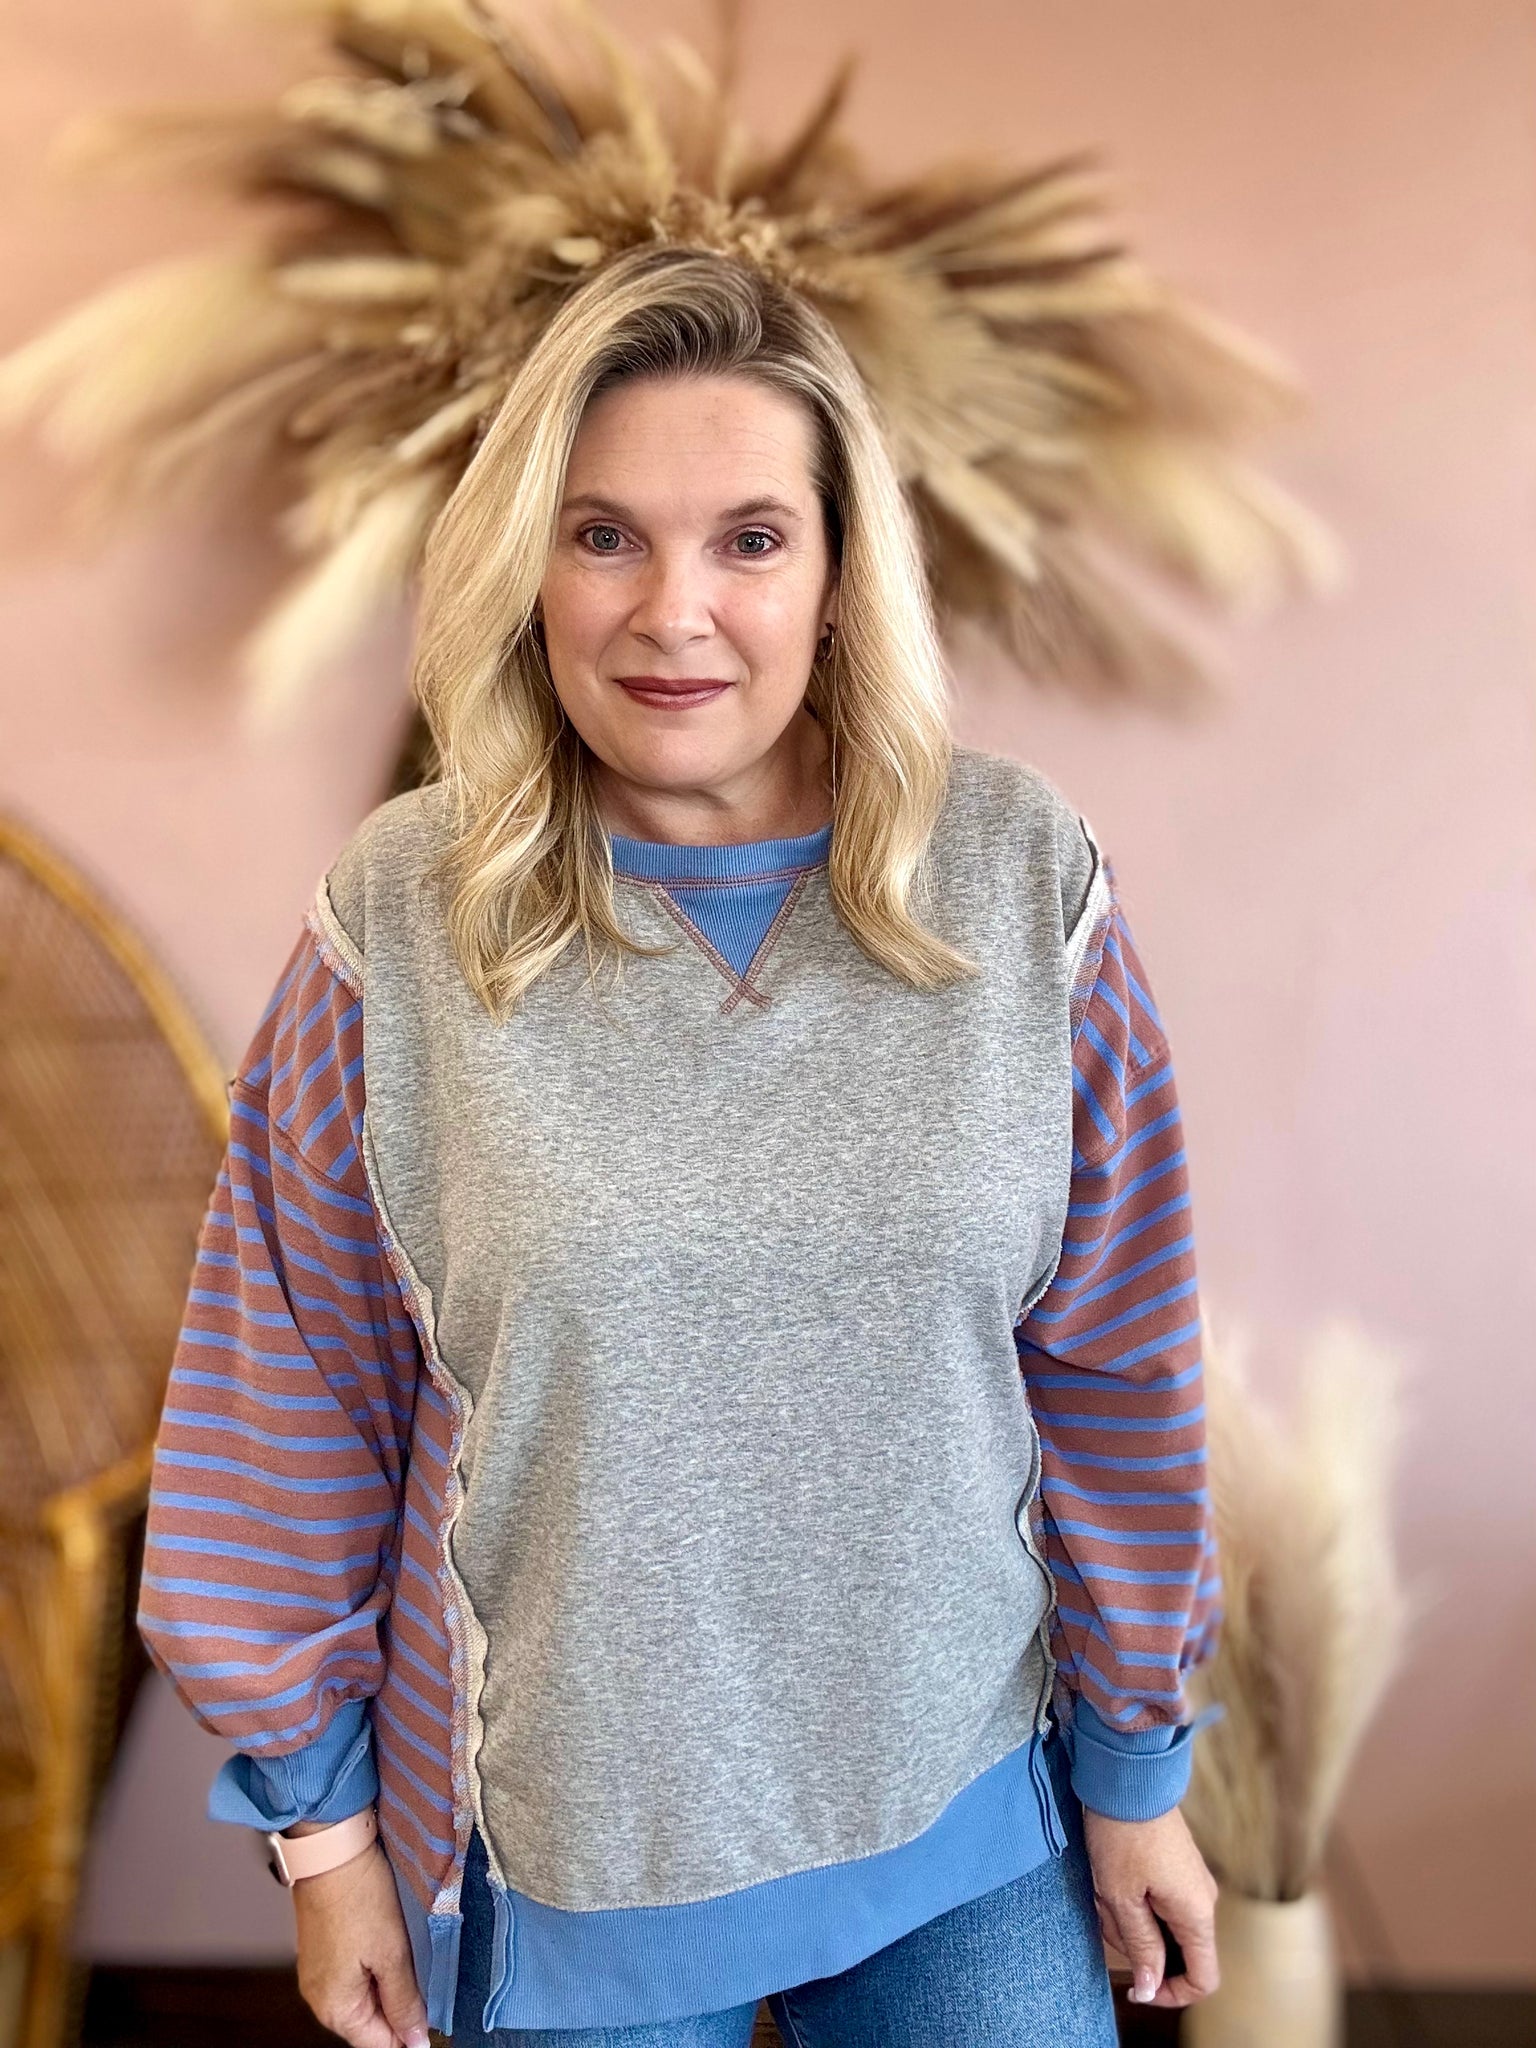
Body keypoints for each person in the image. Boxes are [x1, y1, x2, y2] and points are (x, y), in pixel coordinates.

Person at [136, 245, 1224, 2048]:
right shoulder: (396, 922)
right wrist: (324, 1853)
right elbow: (288, 1404)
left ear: (839, 570)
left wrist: (1137, 1769)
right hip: (570, 1851)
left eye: (749, 538)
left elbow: (1114, 1360)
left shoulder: (1025, 883)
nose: (674, 614)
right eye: (605, 534)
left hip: (956, 1802)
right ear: (525, 565)